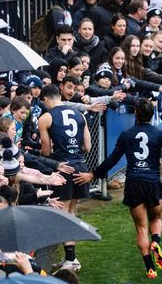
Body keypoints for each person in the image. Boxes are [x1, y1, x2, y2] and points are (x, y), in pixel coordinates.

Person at [73, 98, 162, 279]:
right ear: (152, 114)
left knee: (140, 227)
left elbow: (112, 160)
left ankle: (150, 268)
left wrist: (93, 175)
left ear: (136, 113)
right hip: (152, 182)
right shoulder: (159, 134)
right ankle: (156, 241)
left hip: (134, 183)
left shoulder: (126, 135)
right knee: (157, 217)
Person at [38, 84, 92, 271]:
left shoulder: (45, 117)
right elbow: (88, 147)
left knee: (63, 214)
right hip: (80, 166)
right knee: (71, 211)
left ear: (45, 99)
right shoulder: (80, 115)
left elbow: (45, 151)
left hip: (63, 167)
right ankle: (71, 258)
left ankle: (71, 260)